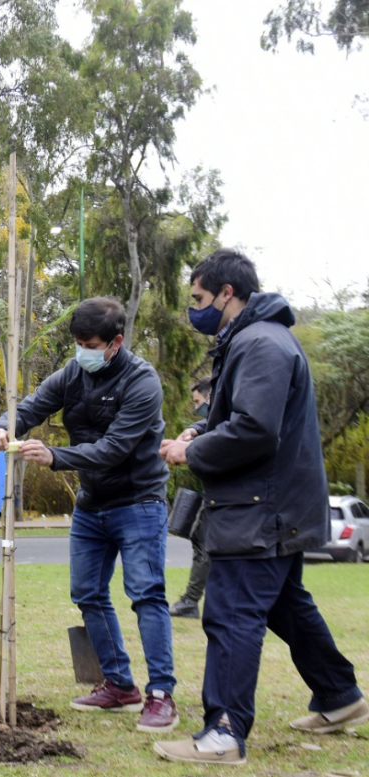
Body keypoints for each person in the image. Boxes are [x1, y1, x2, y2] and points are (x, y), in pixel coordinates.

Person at [156, 249, 368, 765]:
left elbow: (255, 429)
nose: (195, 309)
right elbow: (248, 414)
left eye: (200, 299)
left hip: (260, 510)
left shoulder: (260, 343)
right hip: (276, 505)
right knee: (283, 604)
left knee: (230, 615)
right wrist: (204, 428)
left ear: (228, 294)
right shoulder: (254, 340)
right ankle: (341, 697)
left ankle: (224, 732)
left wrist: (193, 450)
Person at [0, 296, 179, 733]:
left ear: (115, 342)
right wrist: (2, 426)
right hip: (93, 505)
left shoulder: (142, 382)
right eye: (76, 342)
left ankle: (161, 693)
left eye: (89, 344)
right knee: (88, 593)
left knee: (146, 594)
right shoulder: (73, 374)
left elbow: (114, 448)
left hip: (138, 502)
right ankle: (119, 684)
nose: (82, 351)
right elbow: (30, 407)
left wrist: (55, 456)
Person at [169, 377, 212, 619]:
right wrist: (194, 429)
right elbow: (213, 424)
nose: (196, 407)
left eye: (198, 401)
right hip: (214, 494)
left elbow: (221, 429)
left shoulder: (228, 416)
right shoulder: (215, 419)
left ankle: (190, 601)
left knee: (203, 544)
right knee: (201, 541)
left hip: (222, 496)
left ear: (209, 397)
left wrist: (191, 448)